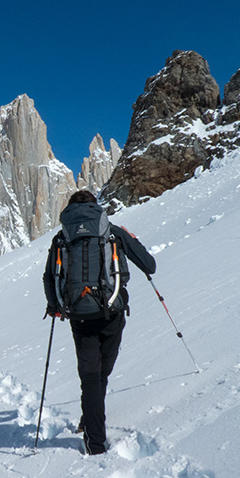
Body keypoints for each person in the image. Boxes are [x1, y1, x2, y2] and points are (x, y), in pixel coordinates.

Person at [42, 190, 156, 455]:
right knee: (102, 372)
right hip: (112, 313)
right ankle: (92, 422)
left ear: (70, 210)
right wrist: (133, 240)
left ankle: (94, 440)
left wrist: (54, 306)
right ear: (96, 207)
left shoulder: (62, 237)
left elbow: (49, 278)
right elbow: (149, 265)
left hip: (80, 318)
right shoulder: (111, 231)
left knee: (91, 377)